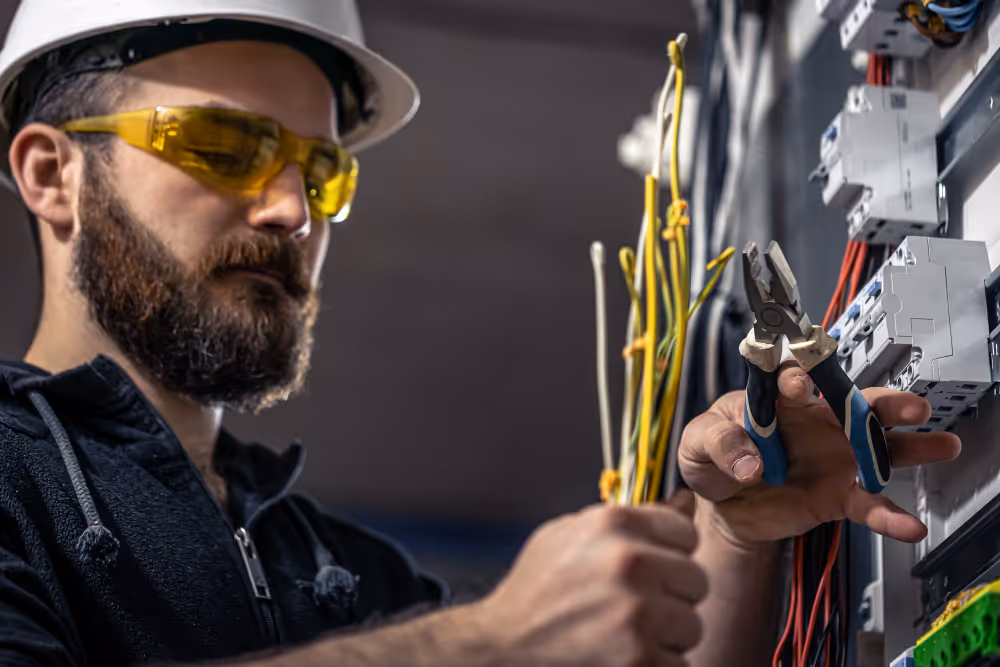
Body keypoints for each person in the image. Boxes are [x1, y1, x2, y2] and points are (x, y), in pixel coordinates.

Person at [0, 1, 962, 665]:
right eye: (223, 147)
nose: (294, 209)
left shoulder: (347, 576)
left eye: (322, 170)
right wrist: (488, 642)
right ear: (52, 175)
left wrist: (737, 531)